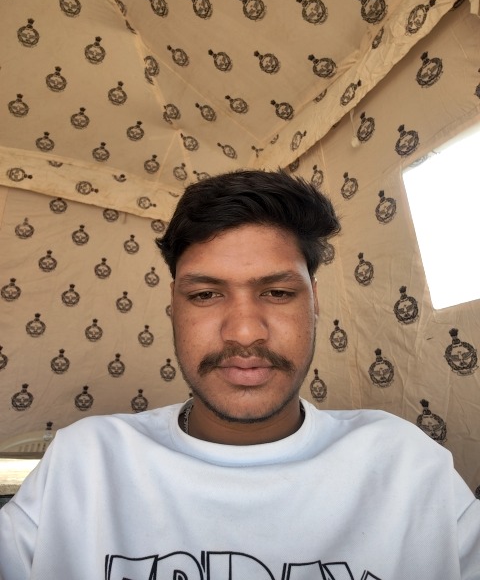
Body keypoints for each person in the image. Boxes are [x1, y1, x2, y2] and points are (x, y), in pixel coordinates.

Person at [0, 169, 479, 580]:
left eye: (277, 292)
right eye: (205, 295)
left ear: (314, 301)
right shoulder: (85, 462)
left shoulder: (405, 465)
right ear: (173, 307)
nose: (245, 332)